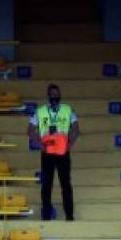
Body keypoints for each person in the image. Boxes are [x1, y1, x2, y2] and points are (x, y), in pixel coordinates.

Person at [28, 83, 79, 220]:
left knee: (66, 184)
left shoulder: (68, 110)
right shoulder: (40, 111)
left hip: (63, 152)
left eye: (57, 94)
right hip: (47, 153)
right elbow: (30, 129)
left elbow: (75, 128)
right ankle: (46, 215)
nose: (55, 96)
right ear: (48, 95)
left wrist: (70, 144)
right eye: (52, 94)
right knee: (47, 185)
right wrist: (39, 145)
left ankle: (69, 215)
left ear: (60, 95)